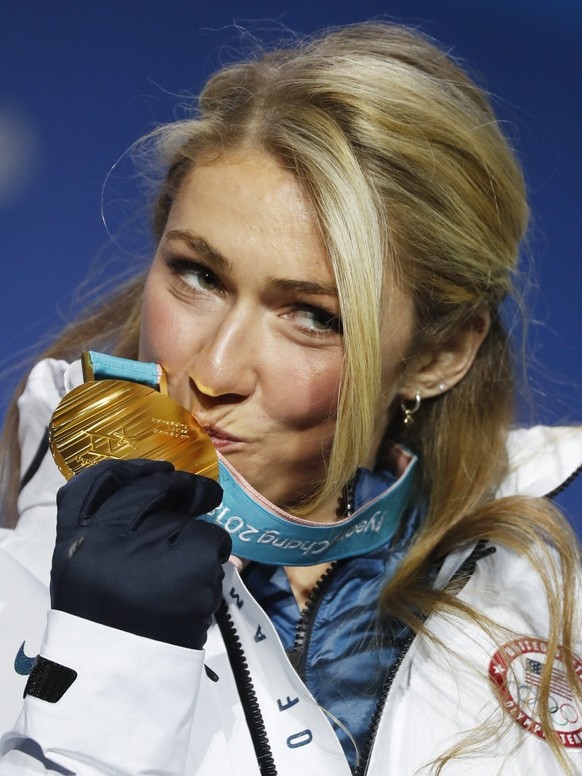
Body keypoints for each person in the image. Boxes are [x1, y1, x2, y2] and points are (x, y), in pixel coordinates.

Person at [0, 20, 581, 775]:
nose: (215, 368)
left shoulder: (540, 612)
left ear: (440, 353)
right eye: (198, 275)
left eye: (311, 316)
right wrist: (114, 666)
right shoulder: (19, 582)